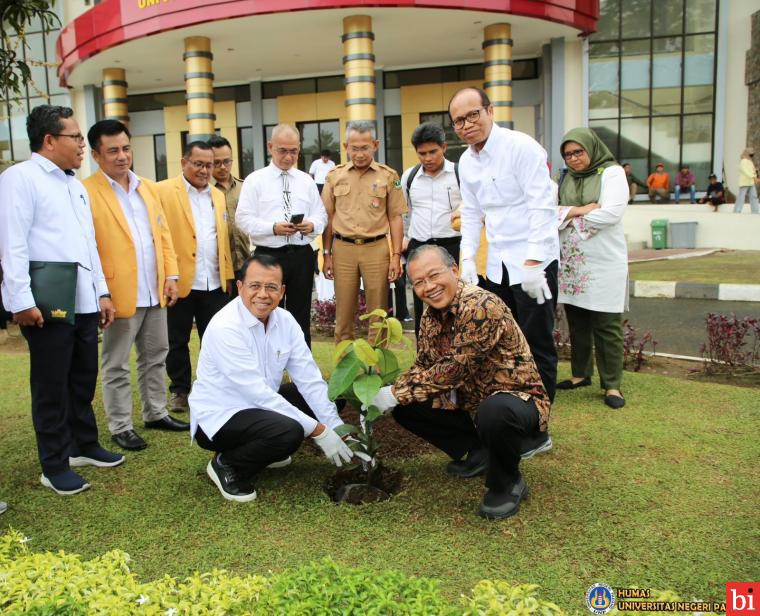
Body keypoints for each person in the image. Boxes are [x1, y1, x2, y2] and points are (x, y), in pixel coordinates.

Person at [367, 245, 551, 520]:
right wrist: (390, 394)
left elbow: (454, 369)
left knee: (495, 410)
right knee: (407, 406)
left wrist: (394, 393)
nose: (428, 287)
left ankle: (508, 482)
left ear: (454, 270)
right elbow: (425, 366)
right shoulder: (431, 315)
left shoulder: (481, 306)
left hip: (517, 402)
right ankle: (478, 452)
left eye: (433, 275)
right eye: (419, 282)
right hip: (473, 403)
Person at [0, 105, 124, 495]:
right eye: (75, 137)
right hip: (46, 299)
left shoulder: (74, 183)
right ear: (49, 140)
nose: (81, 145)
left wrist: (102, 292)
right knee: (51, 386)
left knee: (82, 377)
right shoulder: (20, 178)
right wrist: (20, 299)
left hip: (84, 298)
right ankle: (53, 465)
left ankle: (82, 445)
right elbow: (12, 243)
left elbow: (88, 245)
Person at [189, 254, 353, 502]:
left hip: (260, 407)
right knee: (289, 431)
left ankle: (265, 449)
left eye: (271, 287)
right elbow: (257, 394)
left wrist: (338, 430)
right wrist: (319, 431)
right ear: (240, 287)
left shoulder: (285, 321)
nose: (263, 294)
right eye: (255, 286)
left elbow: (309, 379)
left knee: (331, 397)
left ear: (282, 290)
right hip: (220, 417)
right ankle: (227, 464)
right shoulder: (225, 326)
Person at [449, 87, 560, 402]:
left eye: (473, 114)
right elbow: (471, 213)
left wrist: (535, 262)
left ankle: (539, 419)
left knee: (537, 344)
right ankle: (513, 405)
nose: (467, 124)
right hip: (497, 268)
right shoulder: (466, 163)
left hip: (531, 265)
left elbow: (542, 206)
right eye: (459, 120)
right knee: (502, 342)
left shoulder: (522, 147)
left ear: (490, 111)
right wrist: (468, 259)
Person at [84, 120, 189, 451]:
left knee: (156, 355)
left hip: (154, 289)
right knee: (116, 363)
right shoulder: (86, 191)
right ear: (97, 155)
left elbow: (163, 235)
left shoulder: (146, 187)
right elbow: (87, 247)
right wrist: (100, 292)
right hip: (117, 294)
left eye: (126, 148)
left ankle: (156, 412)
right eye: (112, 150)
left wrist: (171, 276)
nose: (122, 156)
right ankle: (120, 424)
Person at [157, 141, 235, 413]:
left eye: (210, 165)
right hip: (179, 281)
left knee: (213, 338)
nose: (205, 170)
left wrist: (227, 273)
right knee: (176, 340)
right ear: (183, 162)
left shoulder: (217, 195)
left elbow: (222, 238)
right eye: (199, 164)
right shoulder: (163, 191)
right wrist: (168, 275)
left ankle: (212, 387)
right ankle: (179, 390)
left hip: (214, 280)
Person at [554, 128, 628, 410]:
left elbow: (612, 213)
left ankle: (612, 384)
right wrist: (580, 210)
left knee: (607, 324)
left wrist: (567, 214)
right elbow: (549, 211)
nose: (573, 159)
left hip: (604, 260)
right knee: (578, 320)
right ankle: (580, 373)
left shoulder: (611, 173)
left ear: (591, 149)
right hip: (572, 262)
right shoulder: (565, 178)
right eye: (568, 154)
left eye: (578, 152)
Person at [235, 124, 327, 347]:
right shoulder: (255, 180)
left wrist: (311, 225)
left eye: (293, 151)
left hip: (301, 254)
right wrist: (272, 228)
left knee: (300, 315)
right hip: (268, 256)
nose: (288, 157)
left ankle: (300, 375)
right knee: (264, 312)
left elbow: (322, 215)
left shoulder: (306, 180)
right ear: (270, 147)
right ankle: (265, 368)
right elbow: (243, 218)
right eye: (282, 150)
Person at [321, 121, 406, 342]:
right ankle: (344, 370)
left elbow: (396, 217)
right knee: (344, 314)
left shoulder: (389, 176)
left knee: (378, 314)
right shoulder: (334, 176)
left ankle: (377, 371)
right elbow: (327, 219)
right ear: (346, 146)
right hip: (343, 249)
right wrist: (326, 254)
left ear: (375, 145)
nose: (359, 154)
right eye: (354, 148)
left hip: (376, 249)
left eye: (365, 147)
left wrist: (396, 257)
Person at [400, 121, 462, 336]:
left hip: (452, 246)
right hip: (419, 247)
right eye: (422, 153)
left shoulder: (460, 174)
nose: (428, 158)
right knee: (422, 305)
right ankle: (424, 357)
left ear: (444, 147)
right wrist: (405, 239)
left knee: (455, 303)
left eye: (433, 152)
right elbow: (405, 212)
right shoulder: (410, 176)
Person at [208, 135, 249, 287]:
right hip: (218, 270)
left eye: (227, 161)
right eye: (216, 163)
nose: (223, 167)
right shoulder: (205, 192)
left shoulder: (244, 187)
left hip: (246, 264)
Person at [735, 148, 759, 214]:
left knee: (754, 196)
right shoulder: (743, 161)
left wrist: (756, 176)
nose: (752, 154)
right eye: (751, 153)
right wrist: (754, 177)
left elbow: (753, 171)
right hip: (744, 182)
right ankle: (737, 211)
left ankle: (755, 211)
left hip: (751, 183)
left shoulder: (750, 161)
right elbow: (745, 171)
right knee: (741, 197)